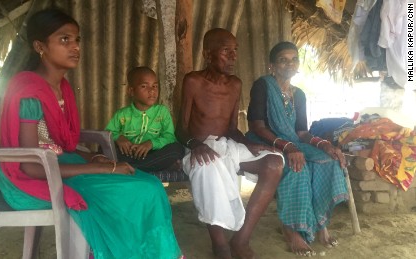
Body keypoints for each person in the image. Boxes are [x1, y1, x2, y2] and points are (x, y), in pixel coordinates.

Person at [0, 9, 182, 259]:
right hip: (31, 179)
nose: (75, 47)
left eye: (77, 39)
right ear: (40, 46)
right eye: (64, 40)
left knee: (151, 185)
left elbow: (55, 145)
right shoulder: (29, 90)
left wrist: (92, 157)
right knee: (138, 192)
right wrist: (104, 169)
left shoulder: (61, 88)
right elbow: (33, 167)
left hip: (58, 164)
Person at [176, 28, 284, 259]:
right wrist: (196, 145)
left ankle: (241, 240)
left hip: (227, 144)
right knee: (207, 167)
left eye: (235, 50)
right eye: (226, 51)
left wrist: (249, 144)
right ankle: (220, 245)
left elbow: (232, 128)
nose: (234, 56)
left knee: (274, 162)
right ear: (208, 54)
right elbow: (181, 129)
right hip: (199, 145)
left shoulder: (235, 84)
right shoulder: (193, 81)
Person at [246, 41, 348, 256]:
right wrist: (288, 146)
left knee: (327, 161)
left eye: (294, 59)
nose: (289, 64)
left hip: (292, 142)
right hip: (264, 141)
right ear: (272, 65)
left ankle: (320, 224)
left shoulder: (299, 94)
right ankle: (291, 229)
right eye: (283, 59)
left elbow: (301, 132)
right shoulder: (263, 85)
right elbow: (256, 125)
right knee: (297, 167)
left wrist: (325, 144)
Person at [105, 66, 184, 171]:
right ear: (131, 91)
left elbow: (169, 137)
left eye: (155, 86)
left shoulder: (162, 112)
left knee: (177, 149)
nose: (152, 91)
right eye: (144, 86)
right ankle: (142, 167)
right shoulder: (122, 114)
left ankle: (132, 168)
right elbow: (107, 133)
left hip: (152, 154)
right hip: (128, 154)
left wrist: (151, 143)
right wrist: (119, 138)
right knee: (104, 148)